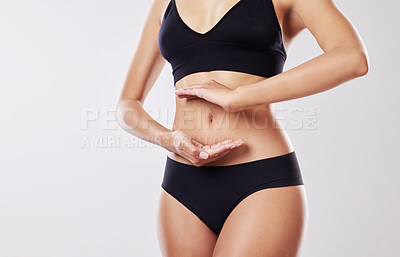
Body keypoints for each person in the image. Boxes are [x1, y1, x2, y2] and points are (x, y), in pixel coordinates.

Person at [115, 0, 369, 256]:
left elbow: (352, 57)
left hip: (261, 181)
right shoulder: (165, 4)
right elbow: (127, 105)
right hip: (181, 183)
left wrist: (237, 97)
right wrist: (168, 139)